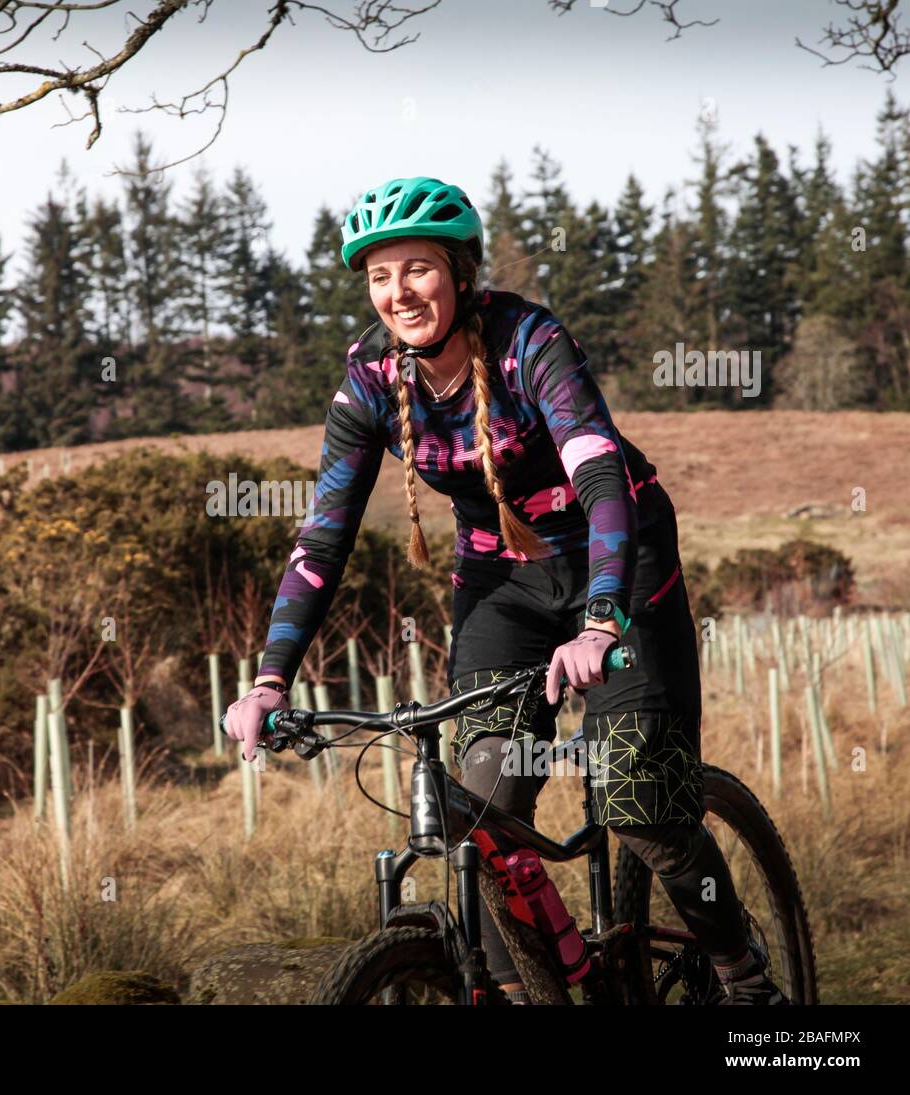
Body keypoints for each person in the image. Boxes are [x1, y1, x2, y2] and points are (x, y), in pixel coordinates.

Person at [224, 176, 786, 1005]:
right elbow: (323, 538)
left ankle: (744, 975)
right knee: (477, 811)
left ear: (459, 271)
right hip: (502, 584)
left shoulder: (530, 342)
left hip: (618, 561)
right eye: (380, 276)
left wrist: (600, 621)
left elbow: (601, 479)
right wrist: (271, 677)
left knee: (639, 798)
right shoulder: (373, 382)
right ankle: (530, 988)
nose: (397, 292)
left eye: (416, 269)